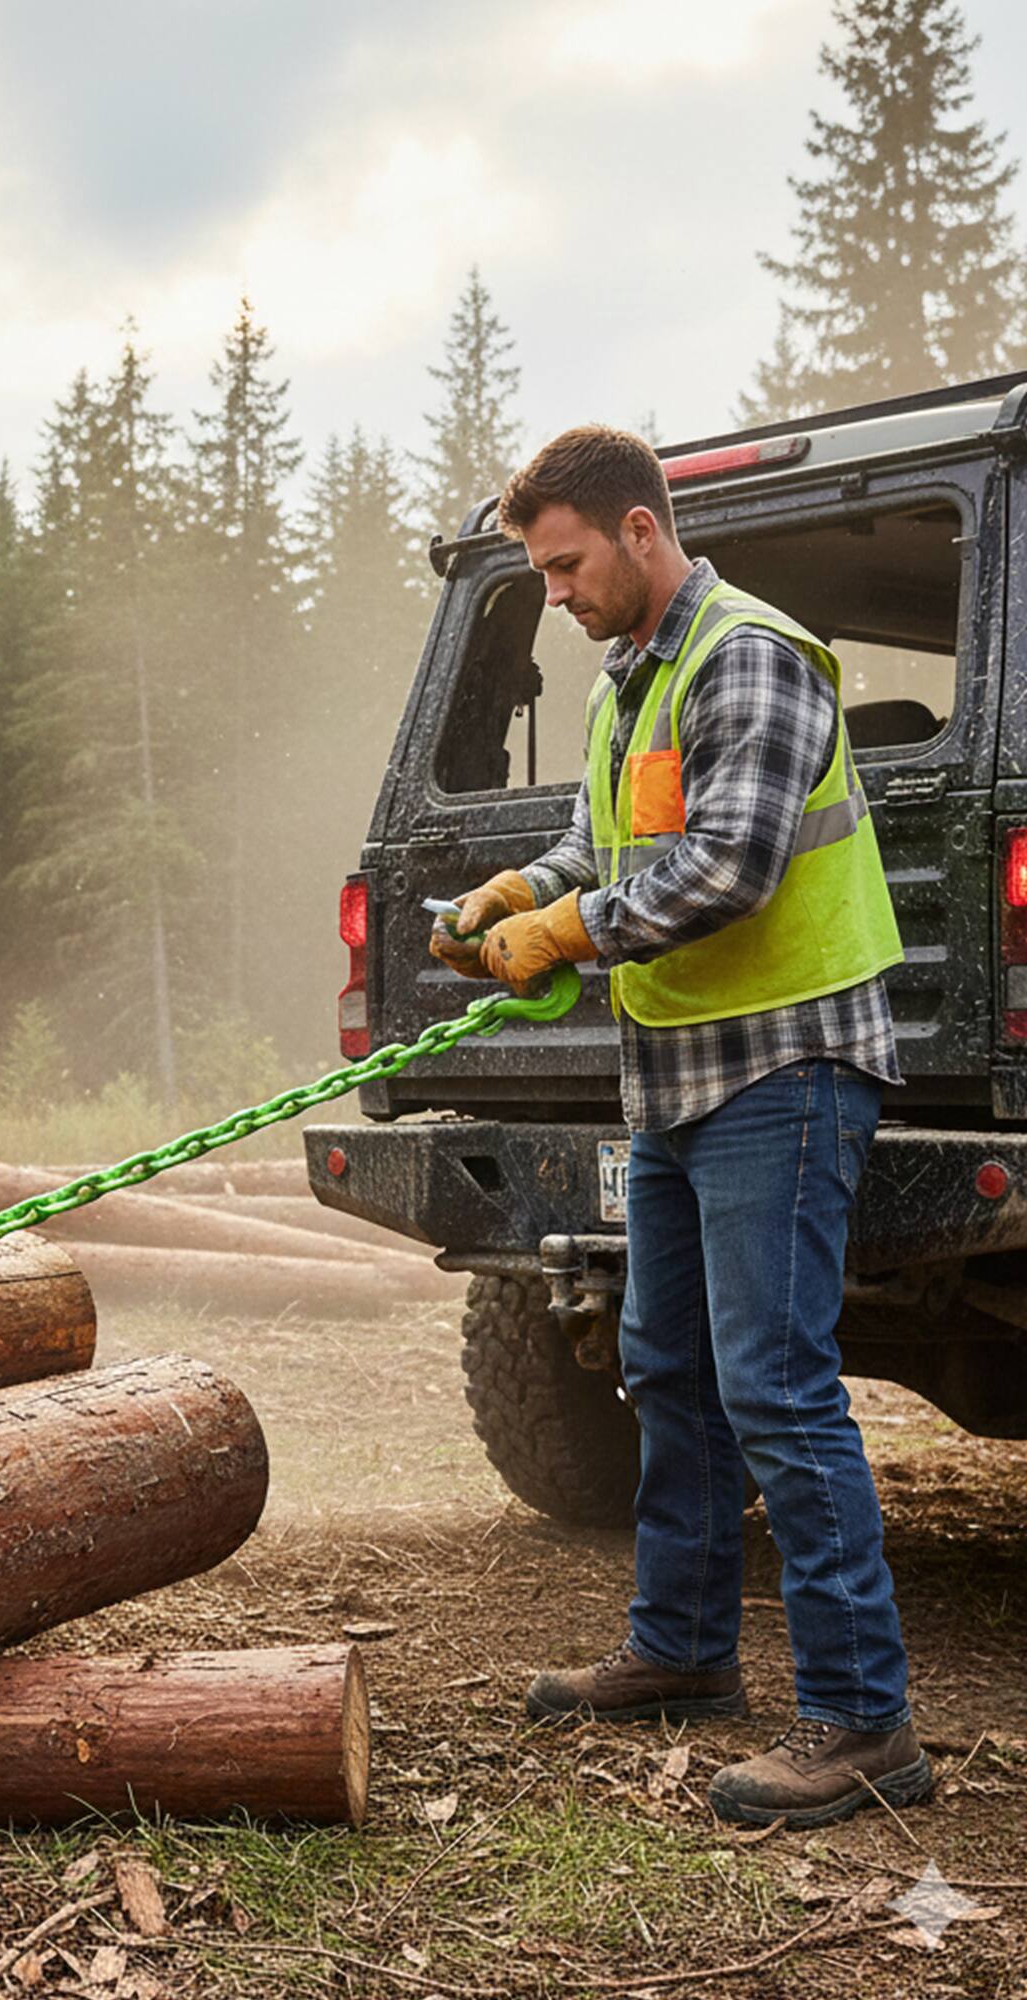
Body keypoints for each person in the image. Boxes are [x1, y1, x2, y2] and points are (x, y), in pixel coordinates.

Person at [430, 424, 932, 1830]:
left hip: (784, 1067)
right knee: (669, 1365)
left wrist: (565, 932)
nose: (559, 594)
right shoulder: (629, 681)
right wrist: (513, 890)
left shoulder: (747, 656)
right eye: (541, 573)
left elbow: (734, 865)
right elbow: (612, 845)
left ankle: (863, 1720)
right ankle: (683, 1651)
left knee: (775, 1382)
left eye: (568, 565)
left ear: (642, 533)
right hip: (676, 1078)